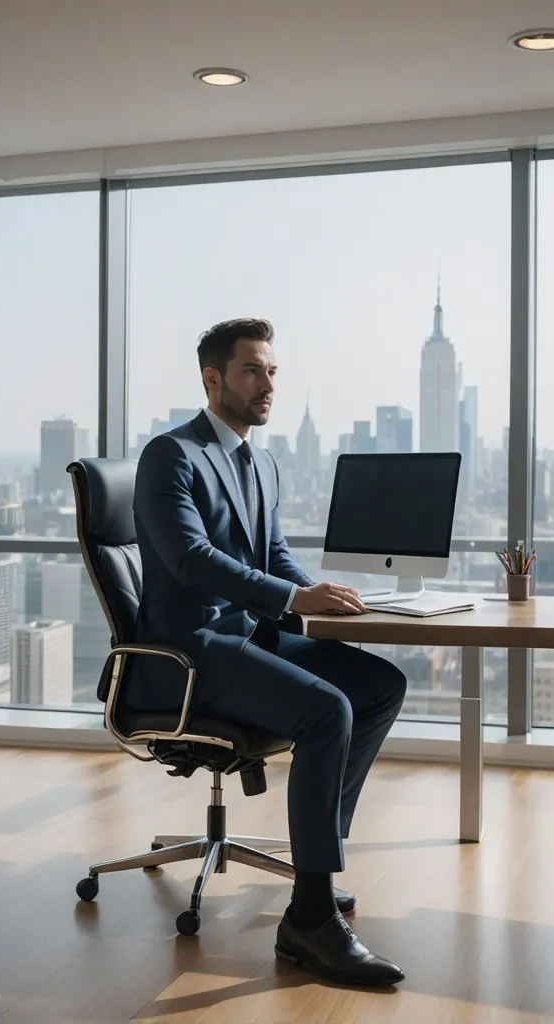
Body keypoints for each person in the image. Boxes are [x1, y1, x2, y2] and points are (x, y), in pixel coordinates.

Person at [131, 318, 407, 986]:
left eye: (273, 371)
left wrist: (319, 592)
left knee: (379, 687)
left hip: (247, 638)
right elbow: (193, 562)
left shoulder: (262, 461)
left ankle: (319, 862)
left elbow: (270, 553)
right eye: (253, 370)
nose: (267, 384)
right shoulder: (172, 456)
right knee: (325, 711)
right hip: (188, 655)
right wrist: (291, 602)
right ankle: (309, 917)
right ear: (212, 379)